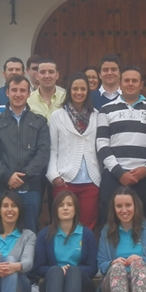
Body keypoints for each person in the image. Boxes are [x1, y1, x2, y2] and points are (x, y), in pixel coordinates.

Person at [0, 75, 50, 233]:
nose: (18, 94)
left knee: (29, 233)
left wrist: (23, 176)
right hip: (1, 186)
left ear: (29, 94)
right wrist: (8, 176)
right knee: (0, 232)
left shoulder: (39, 122)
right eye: (14, 90)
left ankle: (27, 260)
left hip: (30, 186)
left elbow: (43, 153)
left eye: (22, 90)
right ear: (7, 93)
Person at [97, 66, 146, 224]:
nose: (130, 83)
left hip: (144, 178)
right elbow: (102, 144)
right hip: (114, 177)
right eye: (126, 80)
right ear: (120, 83)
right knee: (111, 223)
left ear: (141, 84)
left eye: (134, 80)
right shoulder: (106, 110)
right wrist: (119, 172)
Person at [35, 190, 98, 292]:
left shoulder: (86, 233)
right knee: (56, 270)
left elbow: (92, 267)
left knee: (74, 270)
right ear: (55, 210)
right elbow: (38, 268)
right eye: (61, 205)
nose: (65, 208)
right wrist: (58, 270)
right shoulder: (45, 234)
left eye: (69, 205)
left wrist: (70, 271)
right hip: (52, 287)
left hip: (81, 288)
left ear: (75, 210)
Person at [48, 73, 101, 230]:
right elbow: (52, 149)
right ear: (69, 90)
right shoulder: (58, 116)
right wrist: (54, 175)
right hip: (65, 179)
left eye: (83, 89)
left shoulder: (96, 115)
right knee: (64, 224)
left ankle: (84, 253)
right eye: (75, 88)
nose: (79, 92)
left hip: (91, 180)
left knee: (87, 224)